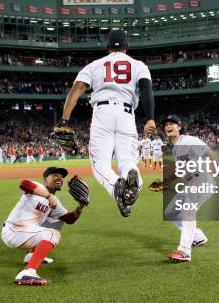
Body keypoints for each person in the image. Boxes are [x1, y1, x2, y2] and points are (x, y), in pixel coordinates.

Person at [58, 30, 155, 217]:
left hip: (103, 112)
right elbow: (146, 89)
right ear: (128, 46)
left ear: (107, 47)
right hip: (127, 114)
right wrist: (149, 117)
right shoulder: (138, 65)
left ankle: (116, 188)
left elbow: (76, 89)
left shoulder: (94, 65)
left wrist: (64, 120)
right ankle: (130, 182)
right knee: (128, 162)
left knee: (100, 165)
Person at [1, 167, 85, 285]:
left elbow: (69, 219)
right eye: (55, 175)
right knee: (52, 234)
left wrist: (80, 206)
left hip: (26, 232)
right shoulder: (38, 187)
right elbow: (24, 184)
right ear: (45, 179)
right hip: (13, 230)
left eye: (61, 176)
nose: (59, 178)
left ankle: (31, 255)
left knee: (58, 221)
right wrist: (48, 196)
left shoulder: (55, 200)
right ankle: (28, 273)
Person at [161, 115, 211, 262]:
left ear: (180, 127)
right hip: (191, 182)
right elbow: (180, 169)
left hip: (201, 179)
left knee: (188, 211)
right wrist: (167, 181)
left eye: (172, 124)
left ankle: (184, 251)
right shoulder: (176, 148)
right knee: (170, 212)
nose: (168, 126)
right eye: (166, 124)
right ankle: (197, 236)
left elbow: (208, 151)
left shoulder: (188, 140)